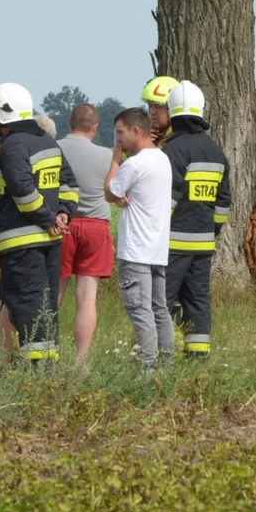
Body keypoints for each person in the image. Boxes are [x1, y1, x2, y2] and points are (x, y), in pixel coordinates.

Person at [0, 82, 79, 365]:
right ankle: (48, 370)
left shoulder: (12, 145)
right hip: (50, 242)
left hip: (22, 244)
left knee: (27, 306)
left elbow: (23, 190)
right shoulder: (48, 142)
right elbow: (69, 184)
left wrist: (51, 218)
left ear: (3, 115)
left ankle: (36, 374)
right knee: (45, 308)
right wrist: (64, 213)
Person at [162, 81, 230, 358]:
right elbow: (223, 202)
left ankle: (164, 352)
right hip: (203, 243)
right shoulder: (215, 150)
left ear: (171, 114)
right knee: (198, 299)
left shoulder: (174, 150)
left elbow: (169, 196)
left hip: (173, 241)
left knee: (163, 299)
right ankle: (198, 355)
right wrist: (211, 231)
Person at [105, 107, 175, 371]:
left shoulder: (133, 163)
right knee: (160, 309)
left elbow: (110, 193)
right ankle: (167, 365)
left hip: (135, 251)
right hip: (157, 249)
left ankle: (149, 368)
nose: (118, 139)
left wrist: (115, 159)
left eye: (121, 133)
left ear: (136, 131)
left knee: (140, 310)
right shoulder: (162, 159)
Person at [56, 104, 114, 361]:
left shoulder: (52, 148)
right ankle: (81, 360)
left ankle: (45, 349)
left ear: (69, 124)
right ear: (95, 128)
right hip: (95, 226)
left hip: (61, 224)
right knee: (87, 298)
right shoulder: (107, 155)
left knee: (53, 293)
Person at [141, 76, 179, 149]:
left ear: (171, 107)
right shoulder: (148, 137)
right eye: (150, 106)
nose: (152, 111)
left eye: (157, 105)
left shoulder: (178, 141)